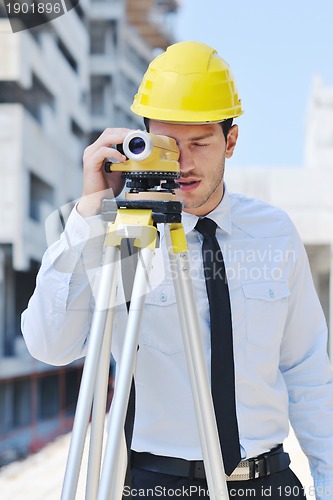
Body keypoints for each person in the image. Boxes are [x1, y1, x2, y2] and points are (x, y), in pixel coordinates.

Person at [22, 41, 333, 499]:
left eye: (200, 144)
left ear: (231, 141)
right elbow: (52, 345)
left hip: (267, 484)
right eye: (168, 146)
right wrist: (91, 210)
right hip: (159, 486)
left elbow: (306, 369)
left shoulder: (273, 233)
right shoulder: (127, 236)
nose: (183, 164)